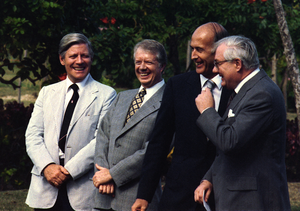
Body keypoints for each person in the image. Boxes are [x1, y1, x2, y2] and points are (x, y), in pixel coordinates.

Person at [132, 22, 232, 211]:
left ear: (219, 50)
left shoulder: (235, 88)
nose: (194, 56)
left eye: (199, 50)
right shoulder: (177, 85)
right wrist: (144, 195)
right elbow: (159, 142)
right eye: (192, 49)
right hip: (179, 196)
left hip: (223, 195)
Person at [194, 35, 291, 210]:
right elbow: (238, 148)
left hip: (252, 202)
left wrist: (207, 111)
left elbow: (230, 141)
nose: (215, 70)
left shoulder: (262, 95)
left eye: (218, 63)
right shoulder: (246, 90)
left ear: (237, 64)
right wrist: (210, 178)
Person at [25, 33, 117, 210]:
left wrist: (68, 172)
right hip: (45, 185)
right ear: (62, 59)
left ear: (91, 59)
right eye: (73, 56)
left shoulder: (107, 94)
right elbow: (33, 134)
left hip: (82, 189)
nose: (79, 61)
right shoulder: (47, 92)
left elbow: (101, 139)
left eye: (85, 55)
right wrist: (47, 167)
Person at [92, 39, 166, 211]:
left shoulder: (170, 101)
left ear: (162, 66)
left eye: (148, 62)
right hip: (104, 195)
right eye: (138, 62)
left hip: (137, 199)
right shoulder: (122, 97)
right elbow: (103, 135)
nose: (142, 67)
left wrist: (113, 175)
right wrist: (103, 171)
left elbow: (155, 150)